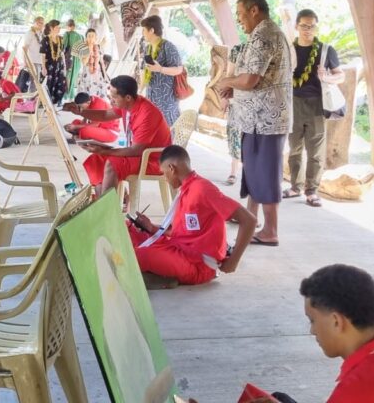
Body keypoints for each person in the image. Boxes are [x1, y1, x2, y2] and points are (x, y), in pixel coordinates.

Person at [226, 265, 374, 403]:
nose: (312, 330)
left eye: (313, 320)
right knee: (278, 397)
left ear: (336, 321)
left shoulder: (353, 390)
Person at [216, 0, 293, 247]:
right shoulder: (260, 34)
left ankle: (271, 230)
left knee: (266, 175)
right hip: (255, 120)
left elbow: (250, 80)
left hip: (266, 120)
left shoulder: (264, 35)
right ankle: (252, 220)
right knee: (254, 173)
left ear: (254, 10)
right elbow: (248, 78)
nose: (239, 20)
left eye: (240, 14)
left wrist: (227, 82)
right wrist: (234, 87)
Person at [126, 146, 256, 286]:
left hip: (197, 264)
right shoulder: (186, 189)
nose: (165, 178)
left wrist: (233, 261)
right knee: (126, 229)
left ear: (171, 168)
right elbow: (183, 233)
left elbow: (249, 220)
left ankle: (160, 275)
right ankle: (159, 273)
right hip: (177, 247)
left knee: (136, 256)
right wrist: (151, 227)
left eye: (164, 173)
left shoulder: (202, 189)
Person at [64, 75, 171, 198]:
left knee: (112, 163)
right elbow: (105, 115)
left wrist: (105, 150)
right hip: (139, 153)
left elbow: (136, 150)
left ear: (128, 97)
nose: (111, 101)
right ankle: (105, 203)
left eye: (114, 97)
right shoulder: (128, 104)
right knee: (96, 159)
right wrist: (80, 111)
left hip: (153, 160)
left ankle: (107, 209)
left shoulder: (147, 114)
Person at [285, 10, 344, 207]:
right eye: (304, 26)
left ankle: (312, 190)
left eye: (312, 26)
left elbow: (340, 75)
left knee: (315, 151)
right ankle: (295, 186)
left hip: (317, 104)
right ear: (296, 26)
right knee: (294, 148)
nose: (308, 30)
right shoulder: (288, 50)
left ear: (316, 27)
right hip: (293, 103)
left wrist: (326, 77)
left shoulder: (326, 50)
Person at [140, 15, 184, 126]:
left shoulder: (168, 47)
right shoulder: (148, 48)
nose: (143, 33)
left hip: (166, 100)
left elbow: (179, 69)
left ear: (151, 30)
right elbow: (144, 70)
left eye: (144, 30)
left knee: (168, 130)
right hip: (151, 97)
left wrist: (160, 69)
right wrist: (140, 89)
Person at [224, 43, 245, 186]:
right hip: (237, 99)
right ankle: (233, 171)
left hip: (259, 102)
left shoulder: (268, 47)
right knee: (234, 135)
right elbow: (229, 75)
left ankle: (250, 173)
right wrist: (225, 97)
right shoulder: (238, 49)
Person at [76, 28, 109, 99]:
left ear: (95, 38)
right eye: (89, 36)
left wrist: (105, 76)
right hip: (87, 74)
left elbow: (102, 62)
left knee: (99, 93)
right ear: (86, 38)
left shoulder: (98, 47)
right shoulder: (83, 48)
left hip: (97, 73)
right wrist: (89, 50)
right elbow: (84, 63)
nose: (91, 38)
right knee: (87, 94)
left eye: (93, 36)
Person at [41, 19, 67, 106]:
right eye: (57, 27)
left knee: (61, 83)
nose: (59, 29)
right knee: (49, 84)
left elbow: (62, 53)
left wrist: (65, 67)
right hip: (49, 65)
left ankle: (58, 101)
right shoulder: (45, 39)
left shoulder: (61, 38)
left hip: (59, 65)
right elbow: (43, 55)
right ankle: (47, 103)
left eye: (59, 27)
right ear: (51, 28)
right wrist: (43, 68)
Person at [62, 19, 85, 102]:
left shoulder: (66, 34)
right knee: (73, 77)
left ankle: (67, 96)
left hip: (69, 59)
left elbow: (63, 47)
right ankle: (71, 96)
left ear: (68, 26)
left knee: (67, 77)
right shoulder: (81, 36)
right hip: (78, 60)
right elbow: (83, 50)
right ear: (74, 26)